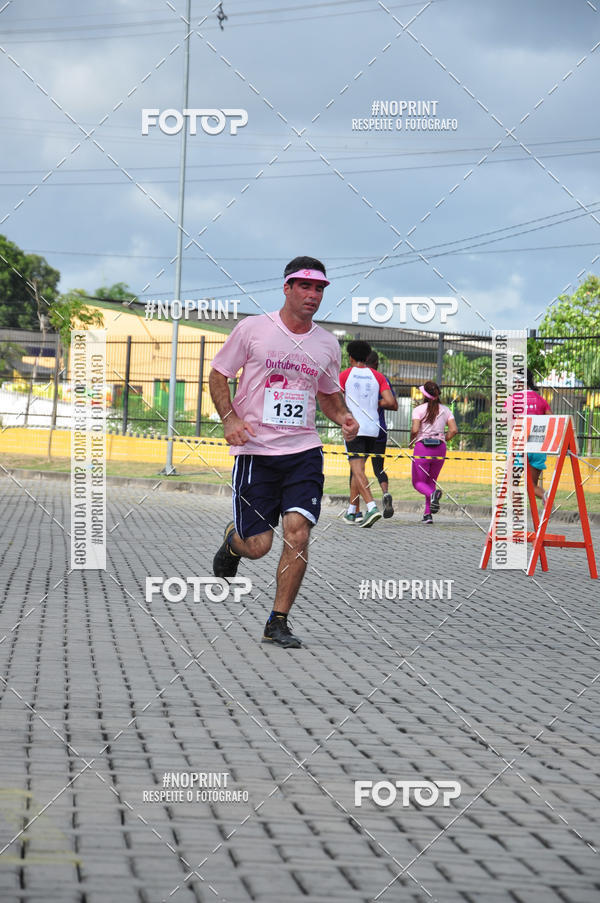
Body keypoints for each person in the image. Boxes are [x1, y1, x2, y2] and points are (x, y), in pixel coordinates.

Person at [209, 256, 359, 649]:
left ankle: (277, 621)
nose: (313, 295)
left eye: (320, 288)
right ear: (287, 288)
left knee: (298, 532)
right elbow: (219, 373)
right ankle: (234, 542)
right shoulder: (253, 329)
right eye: (305, 286)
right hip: (256, 452)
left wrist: (343, 416)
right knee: (258, 546)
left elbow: (328, 394)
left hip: (303, 452)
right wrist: (229, 418)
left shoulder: (327, 344)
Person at [339, 340, 396, 527]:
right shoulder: (378, 376)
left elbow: (335, 398)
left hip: (354, 428)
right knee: (358, 470)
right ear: (367, 357)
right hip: (373, 428)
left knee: (357, 470)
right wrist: (371, 404)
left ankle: (371, 507)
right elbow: (390, 401)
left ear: (350, 357)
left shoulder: (345, 375)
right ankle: (351, 512)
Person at [409, 381, 458, 524]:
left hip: (422, 448)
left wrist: (411, 442)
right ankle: (427, 514)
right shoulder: (446, 410)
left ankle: (433, 494)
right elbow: (454, 430)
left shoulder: (418, 410)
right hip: (440, 449)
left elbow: (415, 430)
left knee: (418, 482)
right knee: (431, 481)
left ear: (424, 394)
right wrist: (443, 439)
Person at [507, 368, 552, 504]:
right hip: (537, 447)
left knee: (510, 484)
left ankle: (516, 513)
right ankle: (546, 498)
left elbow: (505, 422)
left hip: (518, 446)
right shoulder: (541, 400)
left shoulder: (512, 400)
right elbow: (552, 420)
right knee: (532, 486)